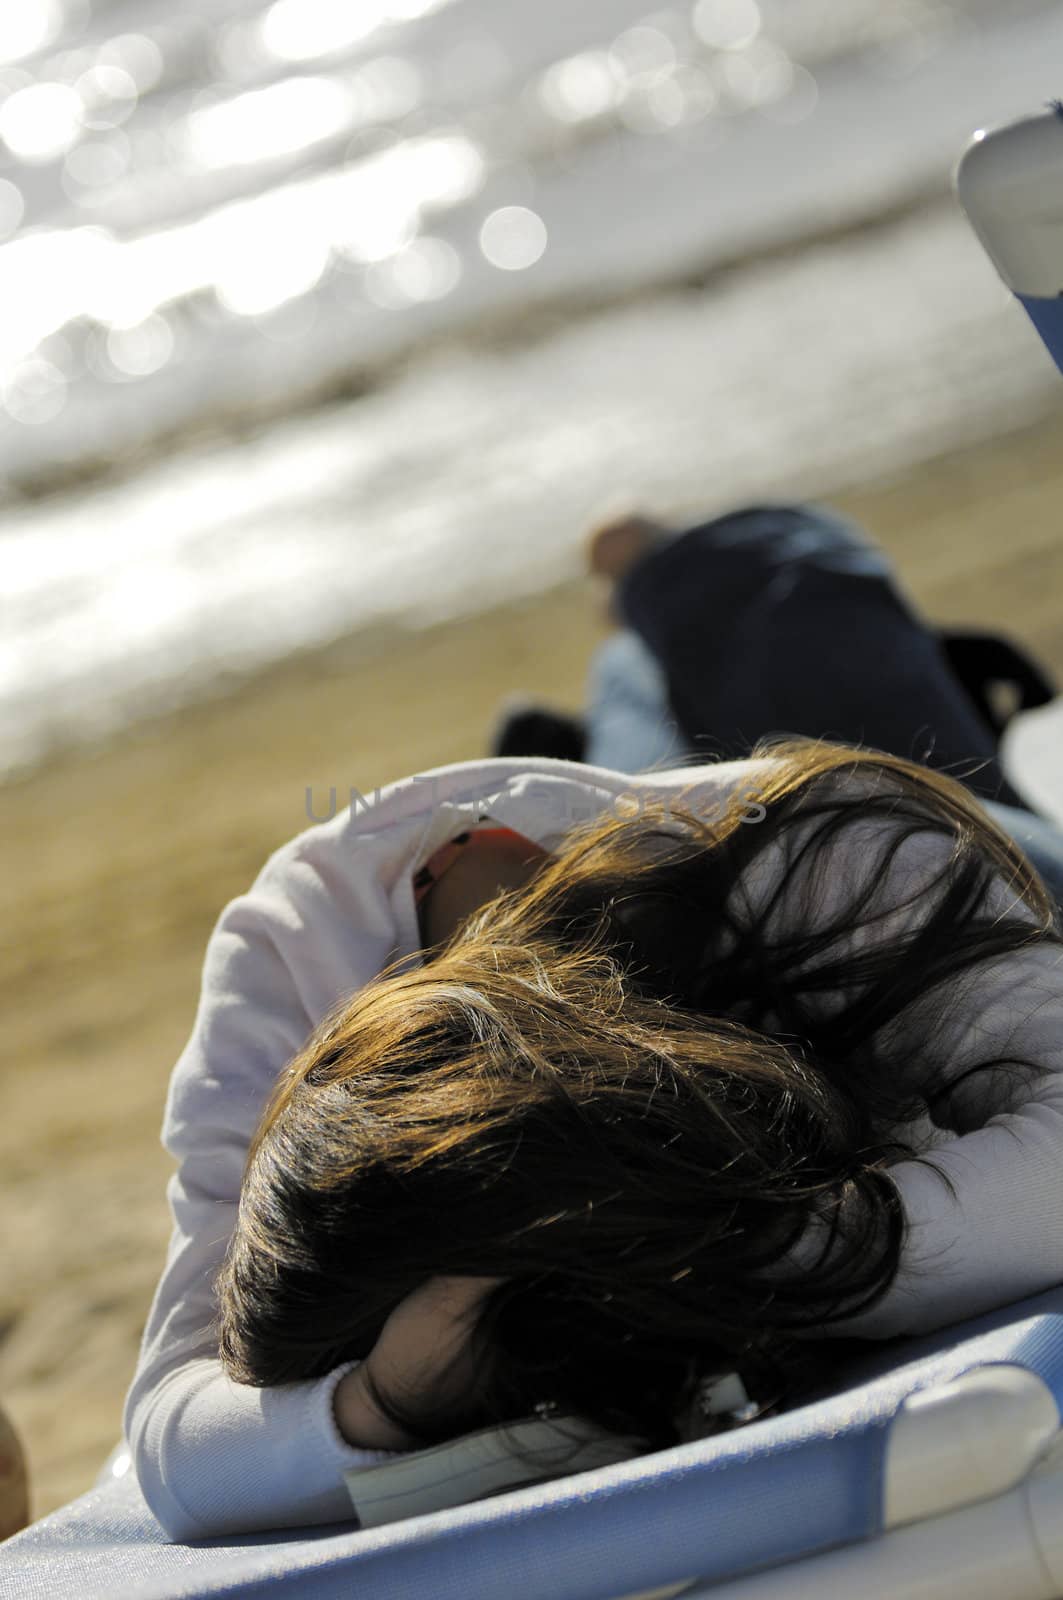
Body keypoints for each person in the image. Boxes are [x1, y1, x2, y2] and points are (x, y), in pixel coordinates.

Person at [122, 510, 1063, 1543]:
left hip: (876, 879)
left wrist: (716, 1262)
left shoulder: (844, 857)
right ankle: (591, 708)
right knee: (643, 721)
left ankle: (647, 571)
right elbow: (178, 1450)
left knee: (763, 600)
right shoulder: (300, 1020)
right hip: (601, 865)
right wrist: (389, 1400)